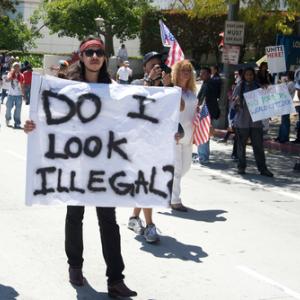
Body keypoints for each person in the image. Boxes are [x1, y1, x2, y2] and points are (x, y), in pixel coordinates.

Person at [24, 37, 137, 298]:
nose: (95, 56)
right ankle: (75, 266)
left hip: (105, 168)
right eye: (89, 53)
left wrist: (166, 131)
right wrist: (32, 126)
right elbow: (47, 119)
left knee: (108, 222)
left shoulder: (116, 90)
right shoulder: (67, 89)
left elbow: (136, 122)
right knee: (75, 217)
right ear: (82, 57)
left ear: (105, 58)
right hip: (75, 166)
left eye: (99, 52)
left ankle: (116, 279)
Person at [128, 51, 172, 243]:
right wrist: (149, 81)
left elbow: (175, 109)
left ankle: (134, 218)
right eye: (152, 65)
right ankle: (150, 225)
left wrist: (168, 85)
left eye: (159, 65)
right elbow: (135, 105)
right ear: (145, 67)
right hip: (139, 144)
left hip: (159, 144)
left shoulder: (165, 87)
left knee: (148, 182)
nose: (156, 68)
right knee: (148, 183)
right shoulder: (137, 84)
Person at [233, 67, 273, 177]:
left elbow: (267, 100)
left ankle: (263, 169)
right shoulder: (239, 86)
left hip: (256, 123)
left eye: (251, 75)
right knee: (241, 146)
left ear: (253, 75)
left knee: (258, 147)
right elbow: (232, 104)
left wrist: (267, 90)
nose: (249, 77)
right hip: (242, 122)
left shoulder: (259, 87)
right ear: (244, 76)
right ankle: (241, 167)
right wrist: (237, 102)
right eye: (247, 75)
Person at [170, 60, 197, 212]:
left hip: (190, 134)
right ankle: (175, 200)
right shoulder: (173, 90)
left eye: (188, 70)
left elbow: (194, 111)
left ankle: (167, 189)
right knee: (177, 170)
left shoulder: (192, 92)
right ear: (177, 72)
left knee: (186, 167)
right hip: (176, 135)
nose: (186, 73)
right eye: (183, 70)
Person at [197, 67, 220, 164]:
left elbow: (206, 100)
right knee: (203, 134)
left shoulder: (210, 84)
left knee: (203, 134)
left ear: (209, 74)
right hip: (205, 112)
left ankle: (203, 157)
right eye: (201, 73)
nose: (201, 75)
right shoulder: (206, 83)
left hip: (207, 112)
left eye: (203, 73)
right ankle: (202, 156)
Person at [276, 71, 295, 143]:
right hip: (286, 104)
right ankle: (281, 136)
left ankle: (284, 137)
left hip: (286, 105)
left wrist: (280, 84)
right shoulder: (291, 83)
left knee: (285, 121)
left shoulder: (291, 84)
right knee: (284, 120)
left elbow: (283, 91)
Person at [5, 62, 25, 128]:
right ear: (13, 68)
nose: (16, 68)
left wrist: (23, 94)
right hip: (10, 94)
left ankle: (17, 123)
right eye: (15, 66)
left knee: (18, 110)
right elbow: (7, 80)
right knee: (8, 109)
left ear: (19, 68)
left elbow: (22, 85)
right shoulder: (9, 74)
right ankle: (7, 119)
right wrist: (12, 76)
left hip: (18, 95)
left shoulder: (21, 75)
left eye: (17, 66)